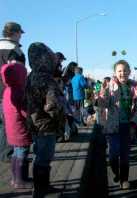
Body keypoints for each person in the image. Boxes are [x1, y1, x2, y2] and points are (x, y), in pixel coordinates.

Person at [25, 42, 65, 197]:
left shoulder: (32, 75)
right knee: (44, 159)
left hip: (35, 124)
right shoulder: (45, 78)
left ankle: (42, 187)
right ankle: (41, 190)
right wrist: (60, 120)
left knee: (39, 157)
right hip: (47, 126)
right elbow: (53, 104)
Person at [99, 60, 136, 190]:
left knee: (125, 154)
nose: (122, 73)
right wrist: (101, 96)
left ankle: (124, 179)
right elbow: (103, 105)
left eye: (125, 70)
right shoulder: (110, 87)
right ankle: (116, 173)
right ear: (115, 73)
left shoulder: (134, 87)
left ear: (129, 72)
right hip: (113, 126)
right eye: (119, 71)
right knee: (114, 154)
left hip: (128, 125)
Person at [1, 62, 32, 189]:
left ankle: (15, 178)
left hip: (11, 128)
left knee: (15, 153)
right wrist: (31, 115)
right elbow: (24, 111)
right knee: (22, 153)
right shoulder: (19, 92)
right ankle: (20, 180)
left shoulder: (7, 91)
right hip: (20, 129)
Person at [0, 22, 25, 162]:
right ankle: (8, 154)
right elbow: (17, 73)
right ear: (15, 33)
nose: (21, 35)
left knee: (2, 124)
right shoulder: (13, 50)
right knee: (8, 123)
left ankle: (5, 152)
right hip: (7, 92)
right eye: (20, 33)